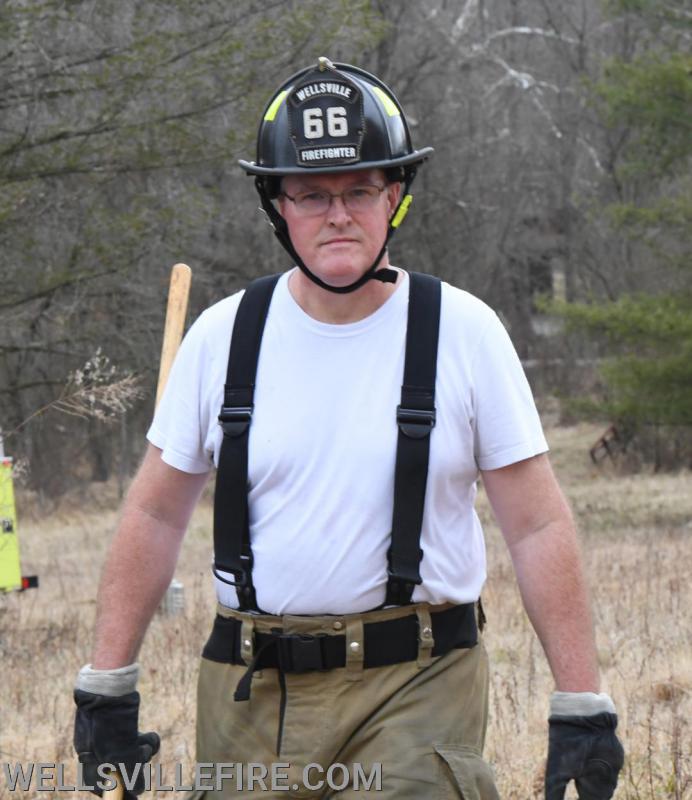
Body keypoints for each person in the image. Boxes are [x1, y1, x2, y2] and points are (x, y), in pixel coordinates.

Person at [73, 58, 624, 799]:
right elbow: (154, 510)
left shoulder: (463, 332)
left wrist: (581, 702)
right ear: (279, 207)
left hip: (419, 683)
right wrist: (107, 683)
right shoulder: (223, 337)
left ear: (394, 197)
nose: (338, 214)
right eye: (311, 194)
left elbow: (536, 525)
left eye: (360, 190)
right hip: (250, 692)